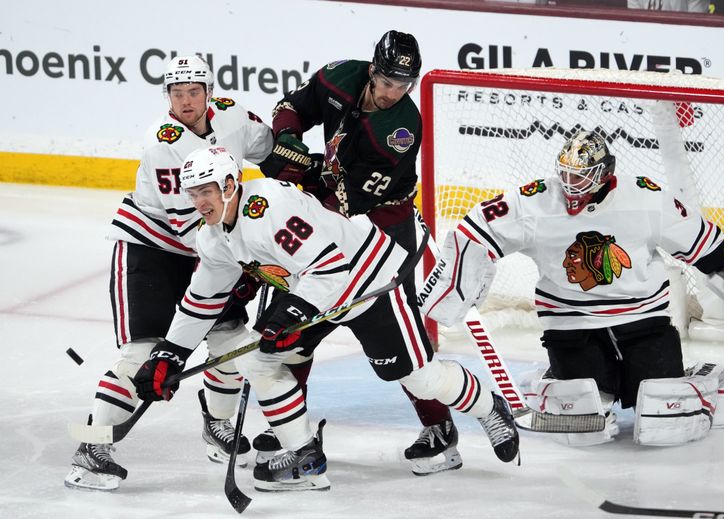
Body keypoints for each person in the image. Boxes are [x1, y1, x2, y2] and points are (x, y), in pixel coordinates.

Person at [131, 145, 520, 491]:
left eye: (207, 191)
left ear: (230, 185)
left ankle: (490, 408)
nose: (200, 202)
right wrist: (168, 354)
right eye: (194, 193)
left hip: (366, 279)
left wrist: (289, 315)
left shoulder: (267, 208)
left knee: (418, 376)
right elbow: (203, 299)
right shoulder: (213, 237)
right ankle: (305, 458)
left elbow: (331, 267)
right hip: (313, 288)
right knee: (262, 361)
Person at [420, 130, 724, 447]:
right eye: (565, 173)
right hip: (570, 326)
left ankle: (705, 381)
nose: (570, 183)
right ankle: (551, 382)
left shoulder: (644, 196)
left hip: (643, 321)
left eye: (581, 176)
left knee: (665, 414)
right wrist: (451, 293)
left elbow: (700, 246)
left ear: (605, 173)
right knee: (582, 418)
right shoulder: (535, 201)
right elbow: (473, 231)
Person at [64, 56, 274, 491]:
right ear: (168, 98)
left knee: (230, 341)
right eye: (176, 94)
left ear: (209, 91)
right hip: (153, 249)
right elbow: (192, 226)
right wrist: (243, 264)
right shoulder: (163, 143)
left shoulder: (231, 113)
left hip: (211, 250)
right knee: (145, 354)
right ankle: (91, 447)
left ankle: (217, 425)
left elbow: (268, 148)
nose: (185, 101)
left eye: (194, 91)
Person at [257, 30, 460, 475]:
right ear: (372, 70)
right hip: (334, 226)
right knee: (298, 326)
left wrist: (301, 168)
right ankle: (290, 427)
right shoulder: (338, 77)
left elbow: (346, 199)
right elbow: (294, 107)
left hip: (383, 231)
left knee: (393, 343)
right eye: (387, 81)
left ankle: (440, 429)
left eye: (404, 84)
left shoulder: (402, 130)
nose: (393, 93)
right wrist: (287, 138)